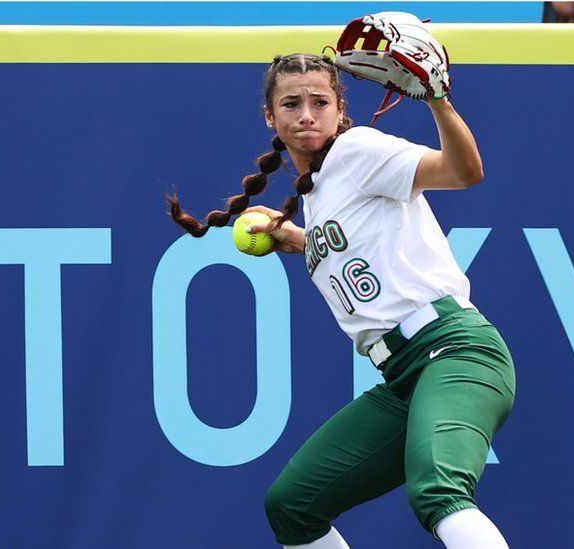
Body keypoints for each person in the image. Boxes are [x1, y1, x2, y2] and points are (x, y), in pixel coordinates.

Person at [167, 53, 515, 549]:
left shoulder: (356, 150)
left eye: (319, 101)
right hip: (403, 378)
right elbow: (363, 243)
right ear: (270, 116)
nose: (306, 113)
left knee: (439, 491)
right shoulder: (320, 190)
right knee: (292, 504)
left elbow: (463, 171)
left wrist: (437, 101)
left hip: (454, 351)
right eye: (291, 103)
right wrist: (300, 239)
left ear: (339, 109)